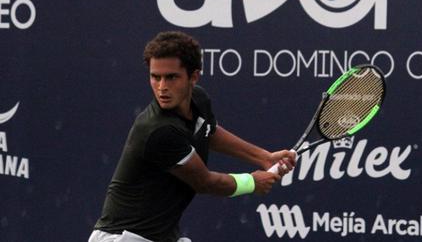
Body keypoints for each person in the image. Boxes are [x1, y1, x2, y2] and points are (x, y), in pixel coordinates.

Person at [89, 31, 295, 242]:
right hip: (123, 238)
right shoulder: (159, 131)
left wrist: (263, 157)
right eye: (155, 77)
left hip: (159, 236)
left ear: (193, 77)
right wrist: (251, 182)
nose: (162, 87)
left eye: (171, 77)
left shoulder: (199, 99)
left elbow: (208, 131)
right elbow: (204, 182)